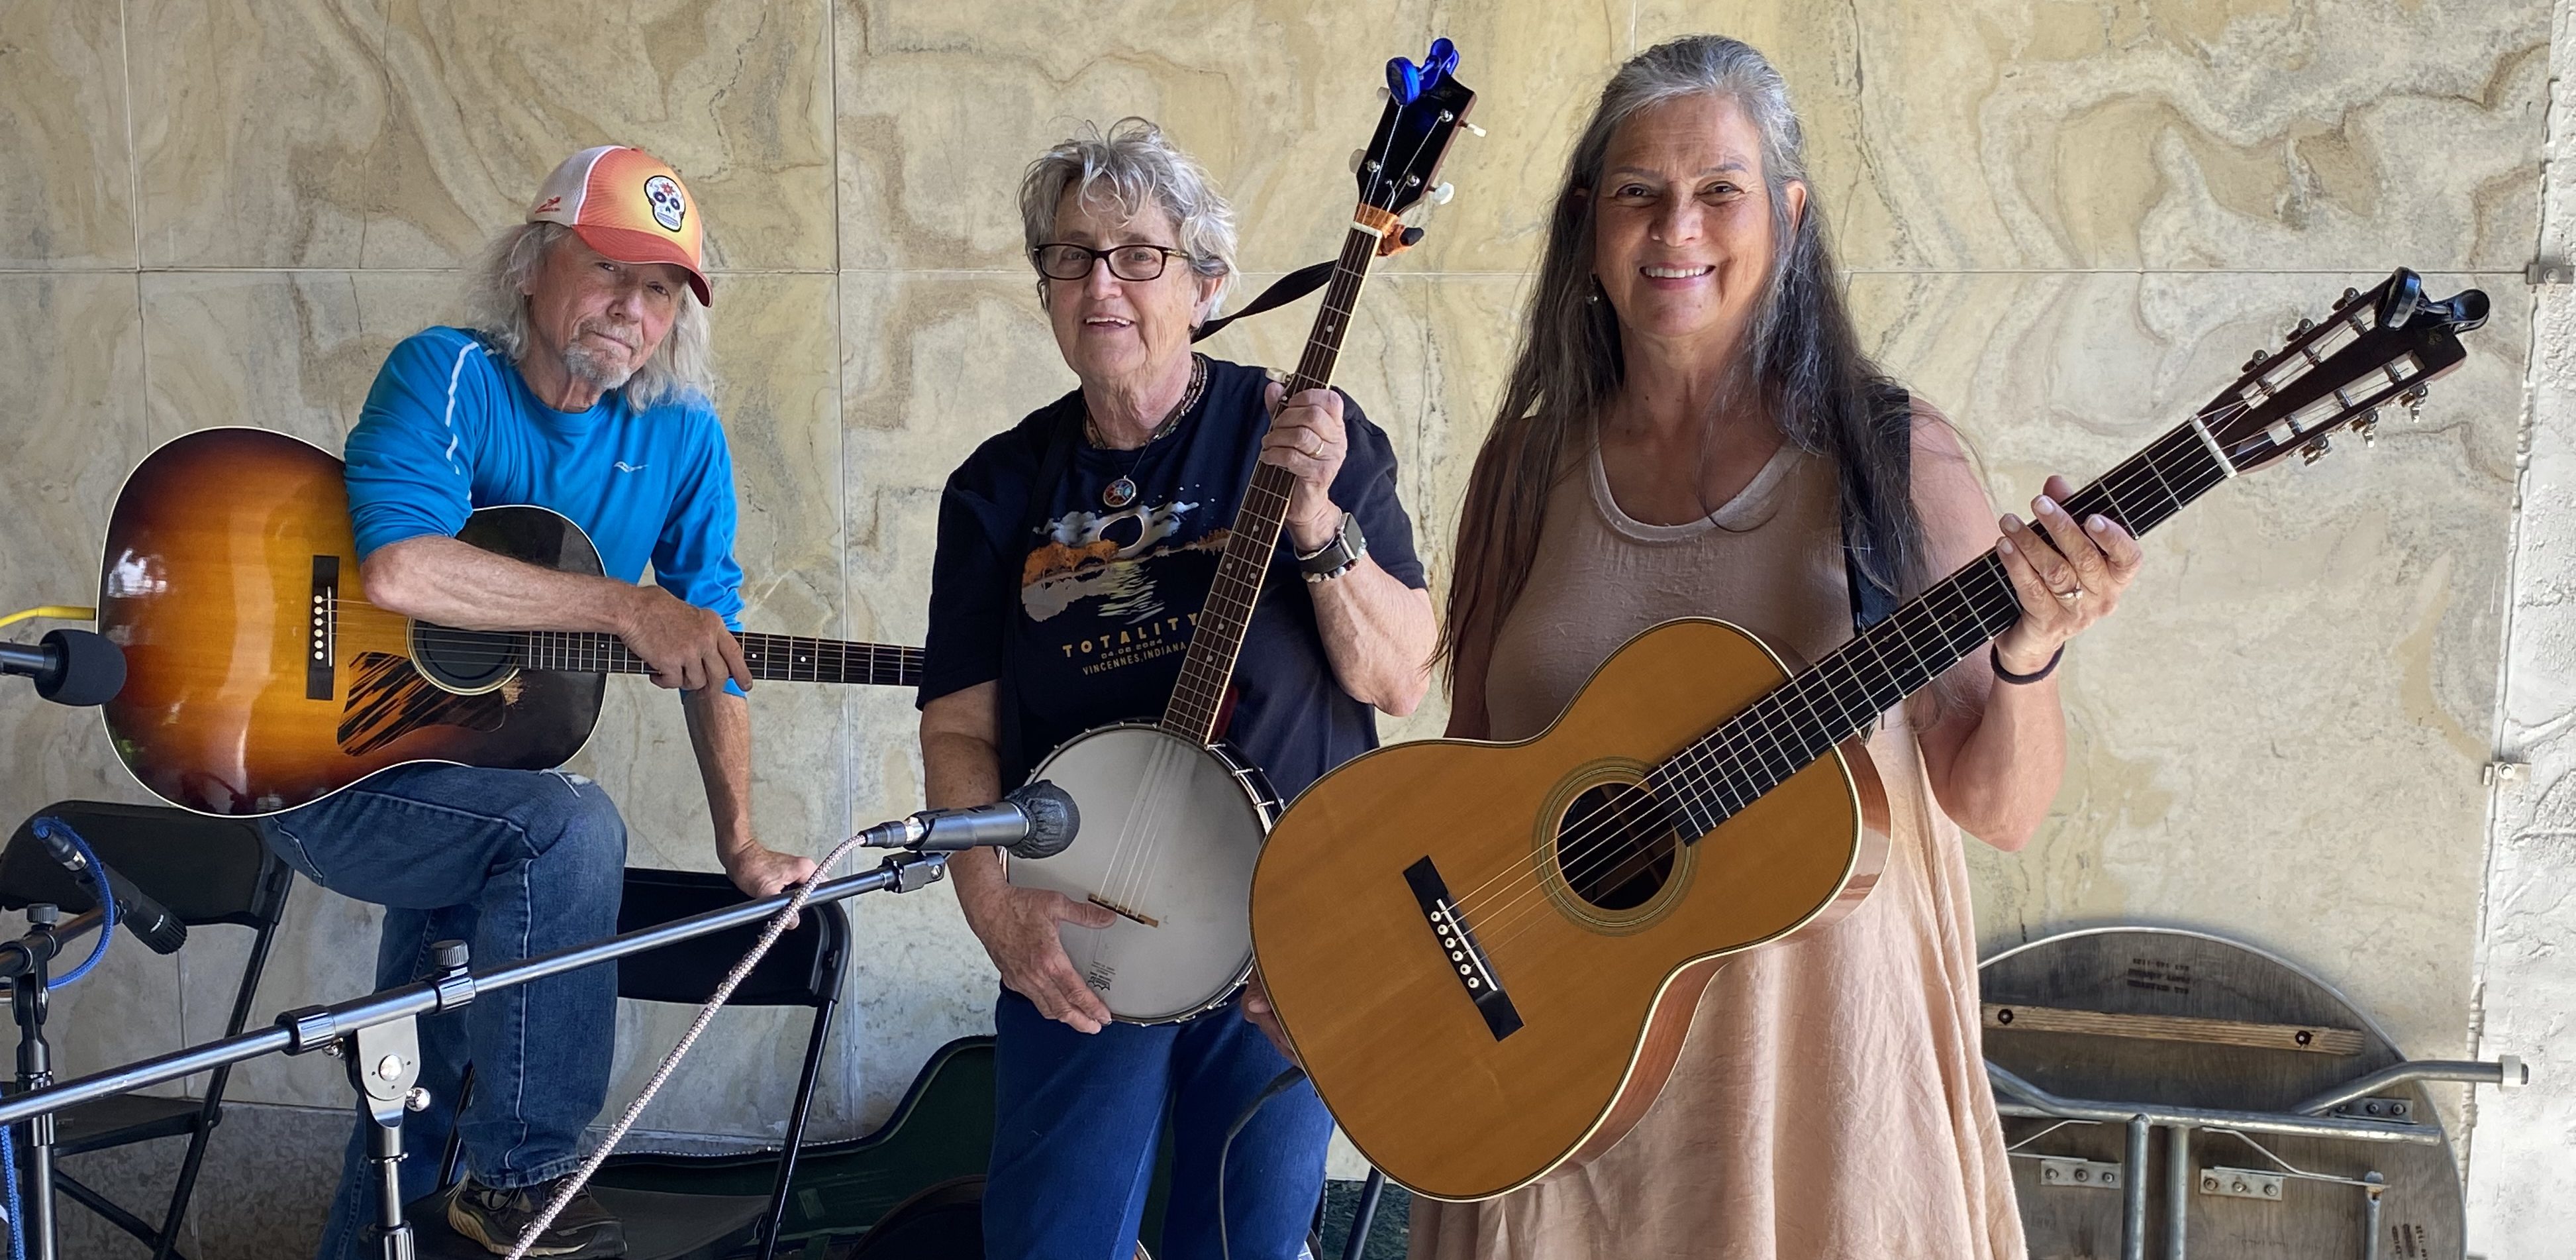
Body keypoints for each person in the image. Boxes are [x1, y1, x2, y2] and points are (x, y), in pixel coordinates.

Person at [1410, 36, 2143, 1260]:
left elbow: (1997, 808)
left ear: (1788, 217)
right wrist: (1370, 963)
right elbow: (1468, 762)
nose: (1674, 229)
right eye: (1638, 191)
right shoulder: (1527, 464)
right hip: (1547, 1059)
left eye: (1718, 192)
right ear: (1589, 223)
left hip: (1813, 1087)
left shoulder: (1893, 458)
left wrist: (2031, 658)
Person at [259, 146, 815, 1260]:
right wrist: (620, 605)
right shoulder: (448, 374)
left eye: (662, 290)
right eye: (610, 268)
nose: (633, 307)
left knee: (415, 1084)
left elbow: (710, 641)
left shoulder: (683, 434)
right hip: (316, 764)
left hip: (476, 806)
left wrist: (742, 840)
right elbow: (404, 574)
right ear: (530, 262)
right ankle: (531, 1178)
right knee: (572, 823)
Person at [916, 118, 1437, 1259]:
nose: (1101, 282)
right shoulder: (998, 488)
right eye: (1070, 256)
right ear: (1045, 288)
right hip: (1093, 925)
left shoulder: (1305, 437)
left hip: (1291, 925)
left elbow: (1400, 676)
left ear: (1206, 286)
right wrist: (996, 911)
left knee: (1245, 1241)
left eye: (1137, 254)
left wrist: (1316, 520)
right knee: (1052, 1241)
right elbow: (958, 725)